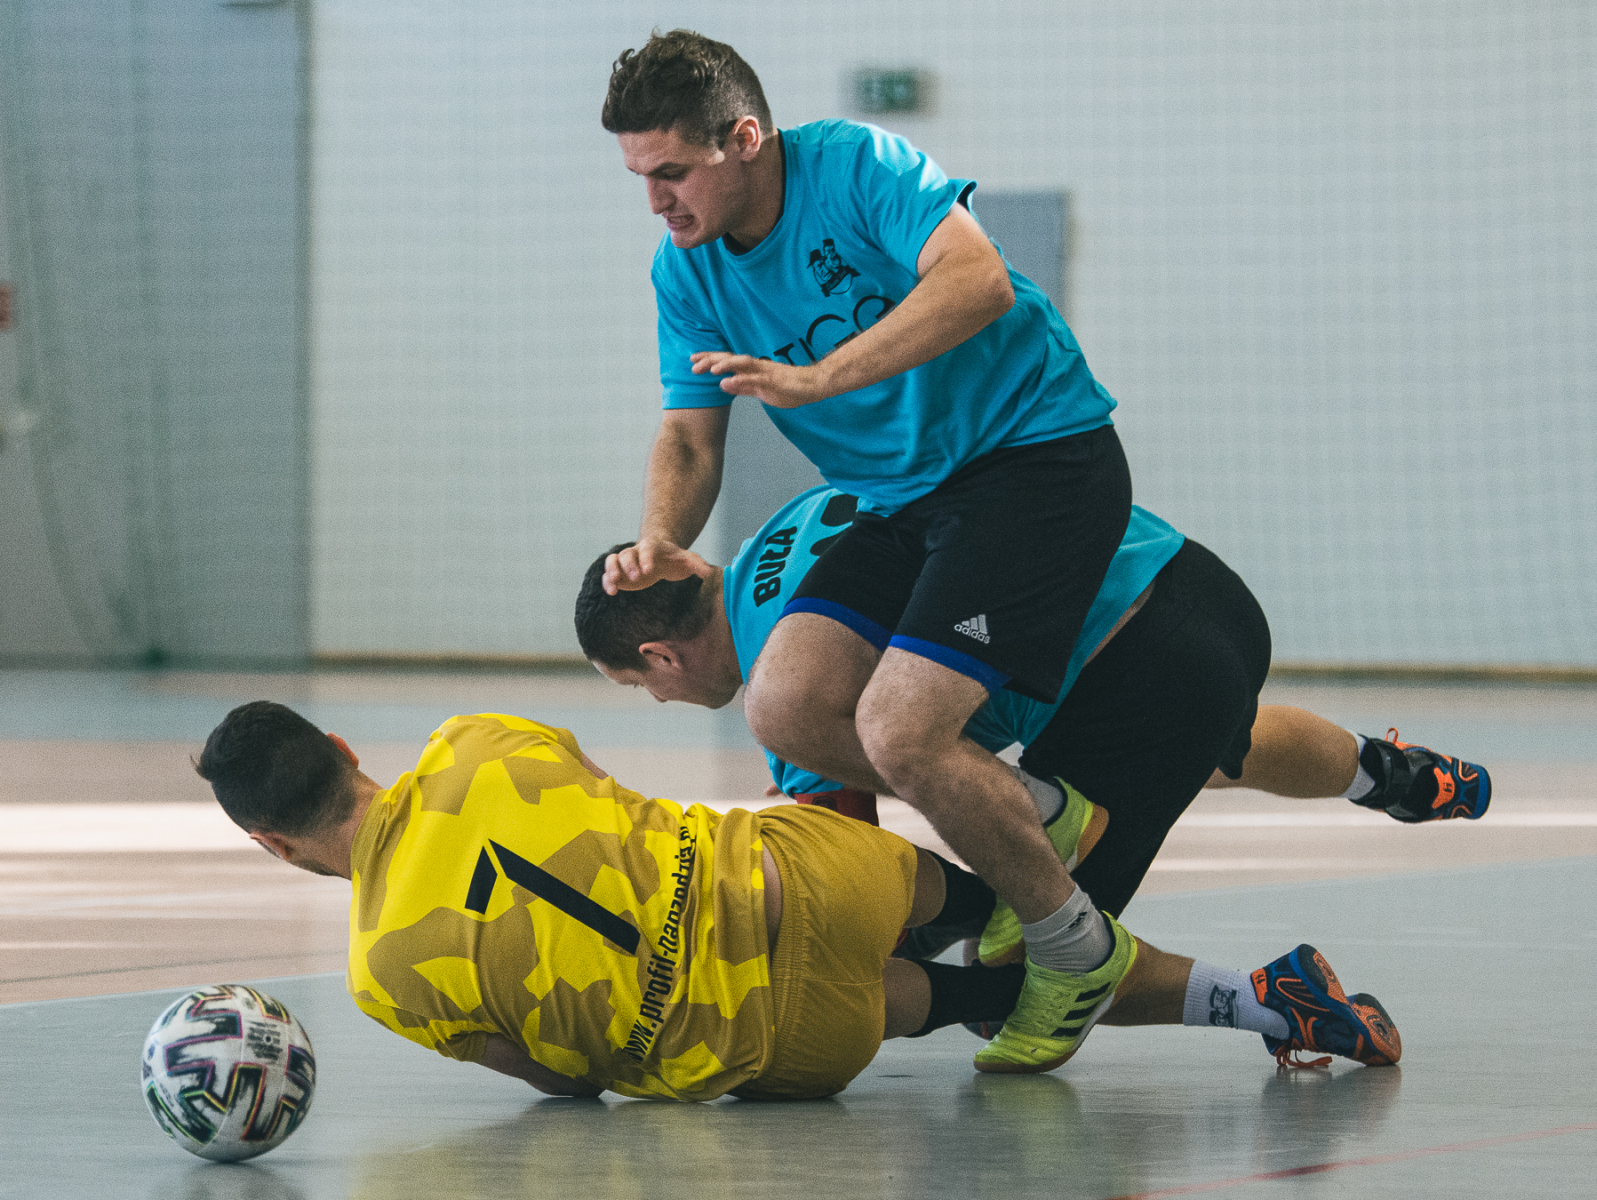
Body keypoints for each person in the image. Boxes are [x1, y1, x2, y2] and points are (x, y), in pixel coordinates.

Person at [600, 27, 1147, 1072]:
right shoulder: (686, 270)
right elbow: (689, 435)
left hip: (1034, 459)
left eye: (671, 172)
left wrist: (819, 378)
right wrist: (661, 539)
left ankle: (1075, 949)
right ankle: (1040, 813)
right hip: (906, 498)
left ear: (743, 139)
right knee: (787, 706)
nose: (657, 201)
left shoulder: (857, 165)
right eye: (640, 178)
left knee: (900, 732)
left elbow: (978, 280)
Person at [195, 703, 1401, 1101]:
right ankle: (1228, 980)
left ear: (269, 843)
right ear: (344, 748)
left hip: (777, 1037)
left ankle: (1263, 1001)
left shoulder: (383, 976)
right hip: (804, 875)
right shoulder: (474, 741)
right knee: (1019, 918)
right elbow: (605, 800)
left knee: (974, 996)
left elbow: (564, 1083)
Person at [575, 485, 1493, 957]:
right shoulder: (795, 515)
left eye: (636, 684)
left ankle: (1269, 996)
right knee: (1223, 750)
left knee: (1027, 960)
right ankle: (1391, 772)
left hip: (1124, 675)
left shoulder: (794, 693)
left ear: (660, 657)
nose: (653, 699)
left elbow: (847, 878)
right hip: (1178, 577)